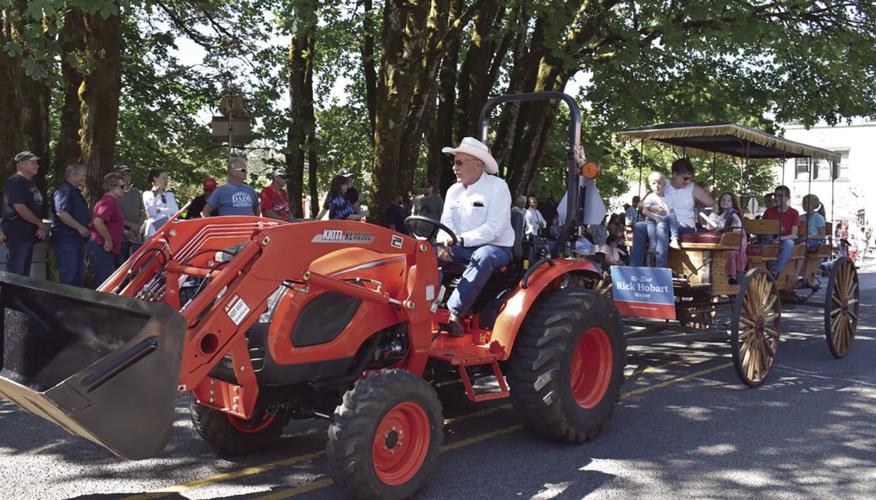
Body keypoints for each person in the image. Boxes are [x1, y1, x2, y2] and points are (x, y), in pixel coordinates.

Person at [436, 137, 514, 337]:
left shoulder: (498, 187)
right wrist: (443, 243)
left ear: (478, 165)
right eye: (454, 162)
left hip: (496, 248)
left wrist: (459, 239)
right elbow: (446, 223)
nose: (454, 167)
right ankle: (421, 306)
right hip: (460, 247)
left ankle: (455, 315)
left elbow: (494, 228)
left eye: (459, 162)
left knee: (483, 255)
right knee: (424, 252)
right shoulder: (453, 191)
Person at [630, 158, 717, 268]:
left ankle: (660, 269)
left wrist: (713, 216)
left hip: (683, 224)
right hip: (659, 221)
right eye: (684, 178)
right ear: (674, 174)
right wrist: (653, 207)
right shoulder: (662, 183)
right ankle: (634, 268)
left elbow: (714, 204)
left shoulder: (693, 187)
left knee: (663, 226)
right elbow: (641, 204)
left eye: (689, 178)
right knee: (639, 226)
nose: (687, 181)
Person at [1, 151, 48, 275]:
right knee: (16, 270)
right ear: (21, 164)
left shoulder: (30, 183)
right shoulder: (15, 182)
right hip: (17, 233)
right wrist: (40, 224)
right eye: (33, 162)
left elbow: (36, 207)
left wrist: (39, 226)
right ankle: (11, 294)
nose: (36, 165)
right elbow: (20, 208)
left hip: (29, 234)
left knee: (24, 273)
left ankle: (22, 295)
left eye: (36, 163)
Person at [50, 164, 90, 286]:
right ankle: (64, 304)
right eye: (82, 176)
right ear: (73, 175)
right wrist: (80, 227)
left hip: (77, 240)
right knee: (69, 274)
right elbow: (61, 213)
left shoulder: (76, 192)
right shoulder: (64, 191)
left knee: (79, 274)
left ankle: (76, 303)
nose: (84, 178)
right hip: (66, 239)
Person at [88, 173, 126, 286]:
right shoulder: (108, 202)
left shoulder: (112, 202)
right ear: (111, 187)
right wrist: (108, 239)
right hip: (102, 245)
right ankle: (100, 302)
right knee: (105, 279)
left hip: (111, 247)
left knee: (111, 278)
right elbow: (98, 222)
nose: (124, 189)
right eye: (121, 186)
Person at [763, 185, 799, 276]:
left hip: (784, 239)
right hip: (770, 238)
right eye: (775, 195)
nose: (776, 198)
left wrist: (780, 238)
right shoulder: (768, 212)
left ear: (787, 198)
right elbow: (763, 228)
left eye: (780, 196)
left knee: (789, 243)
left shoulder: (794, 213)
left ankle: (775, 271)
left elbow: (794, 235)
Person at [641, 171, 681, 250]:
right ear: (650, 185)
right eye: (653, 183)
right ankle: (650, 262)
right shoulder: (650, 197)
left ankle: (674, 239)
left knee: (672, 216)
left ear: (664, 184)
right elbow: (644, 211)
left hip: (664, 220)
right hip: (652, 221)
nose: (657, 186)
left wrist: (675, 222)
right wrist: (655, 218)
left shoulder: (668, 197)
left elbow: (672, 211)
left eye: (659, 183)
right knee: (653, 242)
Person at [113, 165, 146, 259]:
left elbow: (143, 213)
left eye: (128, 174)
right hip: (119, 237)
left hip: (134, 237)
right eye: (123, 174)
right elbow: (112, 216)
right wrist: (128, 227)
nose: (127, 177)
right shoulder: (114, 194)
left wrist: (137, 227)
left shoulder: (136, 193)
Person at [717, 192, 746, 284]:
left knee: (730, 253)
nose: (725, 202)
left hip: (736, 238)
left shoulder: (732, 214)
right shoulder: (721, 214)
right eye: (723, 200)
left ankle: (732, 275)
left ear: (733, 203)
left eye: (729, 200)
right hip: (726, 237)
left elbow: (734, 223)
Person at [142, 169, 179, 237]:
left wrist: (159, 210)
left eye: (167, 178)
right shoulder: (147, 194)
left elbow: (175, 211)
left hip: (168, 231)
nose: (166, 181)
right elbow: (152, 212)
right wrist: (155, 196)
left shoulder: (169, 195)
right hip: (153, 231)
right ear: (155, 179)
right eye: (164, 178)